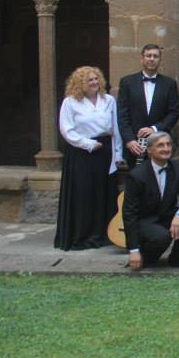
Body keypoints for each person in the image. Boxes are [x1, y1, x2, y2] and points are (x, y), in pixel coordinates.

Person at [55, 66, 123, 251]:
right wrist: (88, 144)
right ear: (79, 83)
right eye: (89, 80)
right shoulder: (70, 103)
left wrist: (118, 153)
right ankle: (82, 236)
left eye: (95, 79)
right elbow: (66, 130)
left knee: (103, 192)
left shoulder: (108, 100)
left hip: (105, 151)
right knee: (84, 193)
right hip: (81, 152)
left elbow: (115, 127)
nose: (94, 83)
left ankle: (103, 234)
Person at [122, 132, 179, 270]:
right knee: (161, 238)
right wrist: (133, 250)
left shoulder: (178, 167)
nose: (166, 148)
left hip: (166, 214)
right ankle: (146, 256)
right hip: (145, 220)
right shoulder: (137, 175)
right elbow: (129, 213)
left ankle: (177, 256)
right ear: (150, 150)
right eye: (160, 145)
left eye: (168, 144)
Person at [116, 44, 179, 167]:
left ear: (160, 60)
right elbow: (122, 114)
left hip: (160, 143)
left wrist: (154, 129)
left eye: (155, 56)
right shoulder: (127, 82)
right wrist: (129, 140)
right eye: (148, 55)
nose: (152, 59)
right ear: (142, 59)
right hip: (135, 145)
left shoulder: (169, 83)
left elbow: (174, 112)